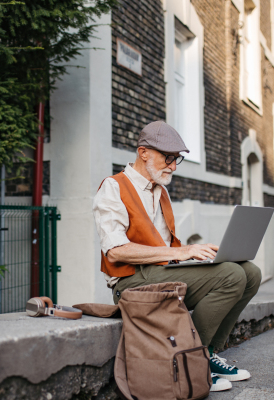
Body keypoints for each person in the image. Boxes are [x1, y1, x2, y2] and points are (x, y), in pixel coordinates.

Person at [92, 121, 262, 392]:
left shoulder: (161, 191)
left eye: (177, 159)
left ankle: (208, 353)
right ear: (143, 152)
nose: (172, 166)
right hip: (130, 282)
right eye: (167, 158)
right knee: (230, 275)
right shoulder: (113, 187)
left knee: (250, 273)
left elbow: (165, 250)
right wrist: (181, 252)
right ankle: (193, 360)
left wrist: (197, 257)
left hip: (160, 272)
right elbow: (115, 251)